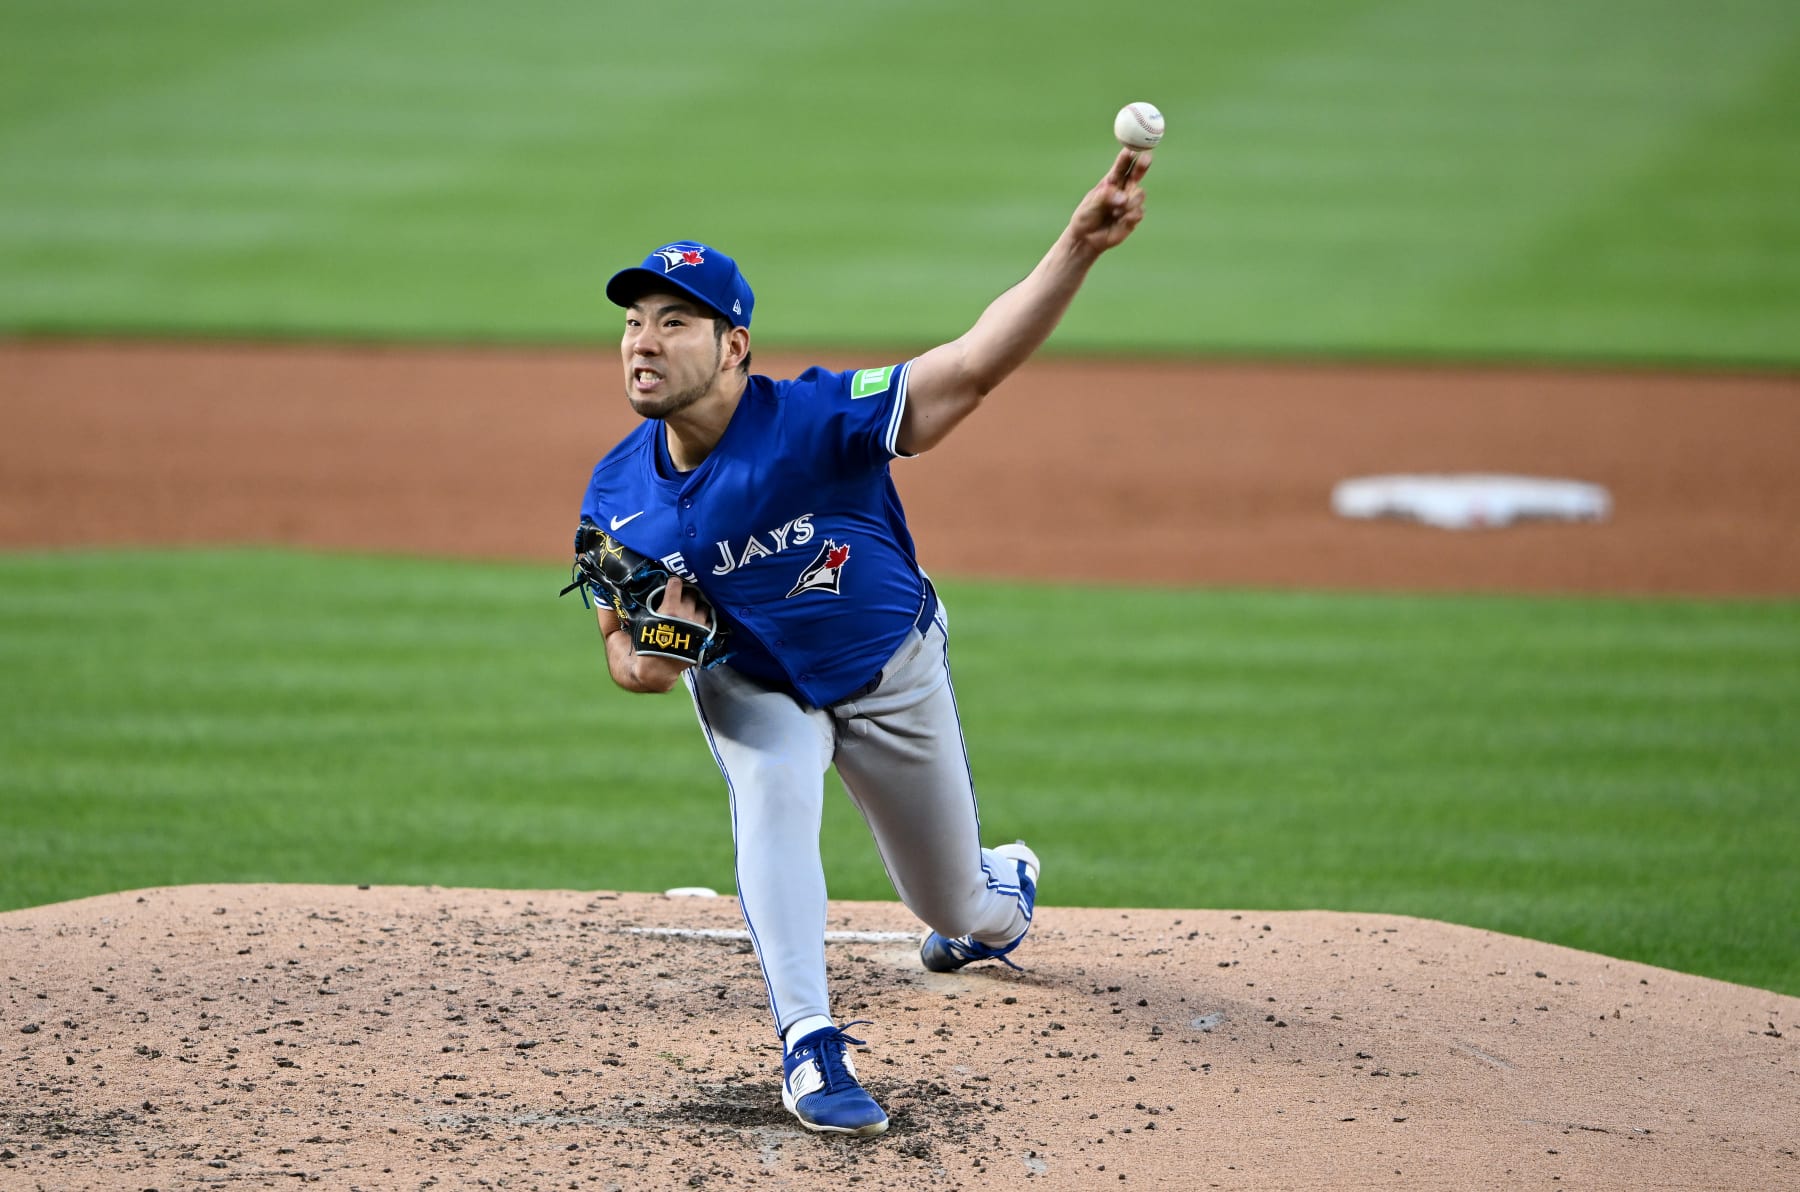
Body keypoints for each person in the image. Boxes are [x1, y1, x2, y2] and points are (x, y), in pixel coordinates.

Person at [576, 148, 1150, 1137]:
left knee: (955, 903)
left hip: (890, 671)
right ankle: (809, 1041)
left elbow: (970, 366)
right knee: (775, 787)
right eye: (634, 322)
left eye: (676, 321)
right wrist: (659, 653)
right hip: (756, 686)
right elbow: (627, 661)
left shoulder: (814, 420)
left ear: (735, 347)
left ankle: (997, 896)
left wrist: (1076, 248)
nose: (644, 341)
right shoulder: (616, 500)